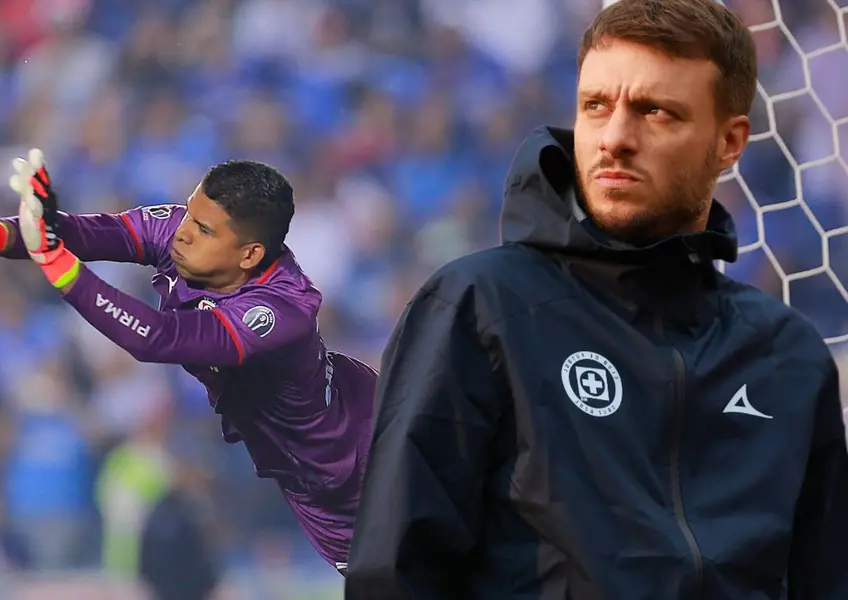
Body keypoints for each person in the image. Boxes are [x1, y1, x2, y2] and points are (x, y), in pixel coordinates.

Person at [344, 0, 848, 598]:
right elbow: (397, 574)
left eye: (655, 112)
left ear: (729, 142)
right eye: (596, 106)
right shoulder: (481, 307)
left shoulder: (787, 356)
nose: (615, 138)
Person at [0, 153, 378, 572]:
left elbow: (159, 338)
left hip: (358, 461)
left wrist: (54, 262)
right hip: (311, 481)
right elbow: (85, 233)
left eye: (205, 231)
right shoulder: (180, 232)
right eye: (191, 212)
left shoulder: (280, 311)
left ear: (250, 255)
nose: (183, 232)